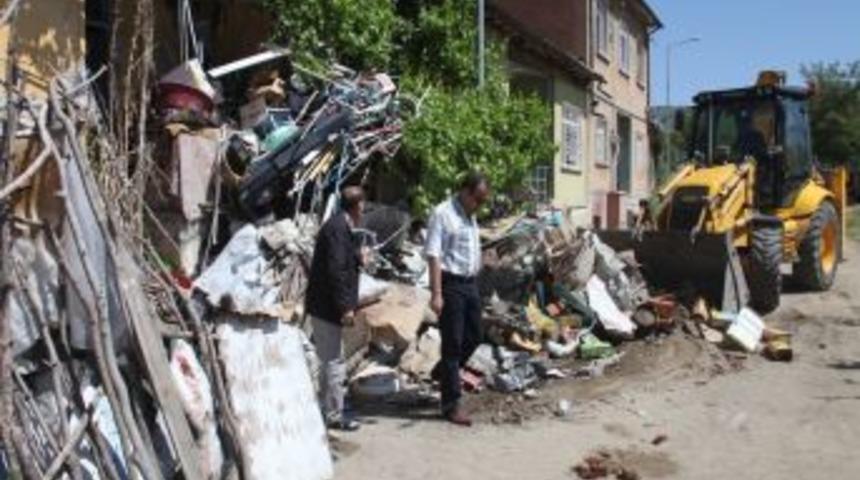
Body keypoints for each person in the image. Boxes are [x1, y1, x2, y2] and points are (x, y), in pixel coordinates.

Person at [424, 172, 490, 427]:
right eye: (478, 198)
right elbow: (434, 255)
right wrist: (437, 293)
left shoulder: (470, 215)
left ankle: (443, 372)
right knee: (452, 344)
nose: (480, 204)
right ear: (464, 191)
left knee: (475, 336)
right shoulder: (443, 214)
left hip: (470, 284)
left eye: (483, 200)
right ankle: (451, 405)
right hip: (451, 285)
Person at [306, 186, 368, 431]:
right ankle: (334, 414)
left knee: (329, 359)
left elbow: (342, 262)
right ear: (358, 205)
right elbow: (336, 272)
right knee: (333, 360)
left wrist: (357, 258)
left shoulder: (340, 227)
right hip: (327, 306)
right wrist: (345, 307)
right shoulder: (336, 229)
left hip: (325, 304)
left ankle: (326, 408)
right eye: (363, 204)